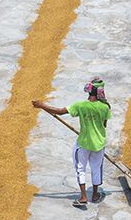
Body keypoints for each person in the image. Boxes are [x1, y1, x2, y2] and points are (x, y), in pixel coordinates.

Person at [33, 77, 111, 208]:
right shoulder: (105, 107)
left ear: (89, 91)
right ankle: (95, 195)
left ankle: (83, 197)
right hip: (99, 144)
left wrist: (42, 105)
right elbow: (104, 124)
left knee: (80, 168)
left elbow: (59, 111)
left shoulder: (80, 106)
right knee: (96, 168)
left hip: (84, 143)